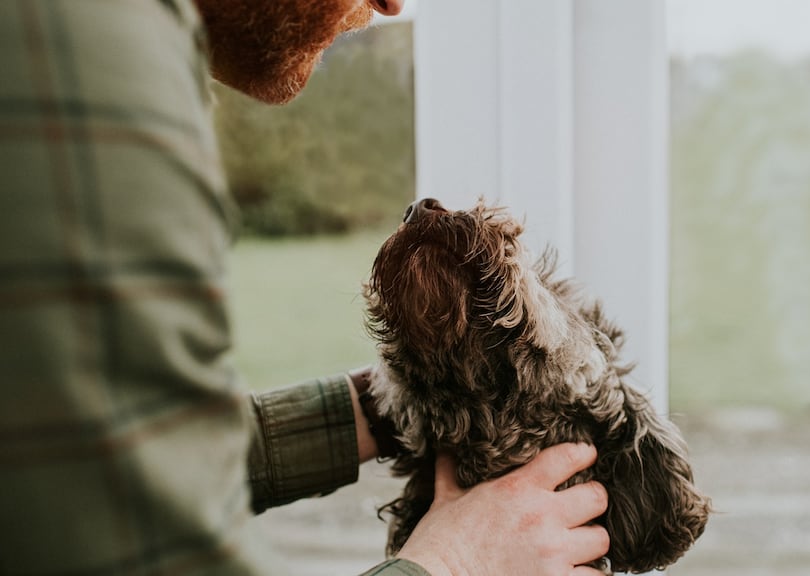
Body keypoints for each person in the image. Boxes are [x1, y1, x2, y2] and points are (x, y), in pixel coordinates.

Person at [0, 1, 609, 575]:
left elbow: (92, 474)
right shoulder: (91, 51)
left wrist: (377, 408)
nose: (394, 4)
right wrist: (451, 563)